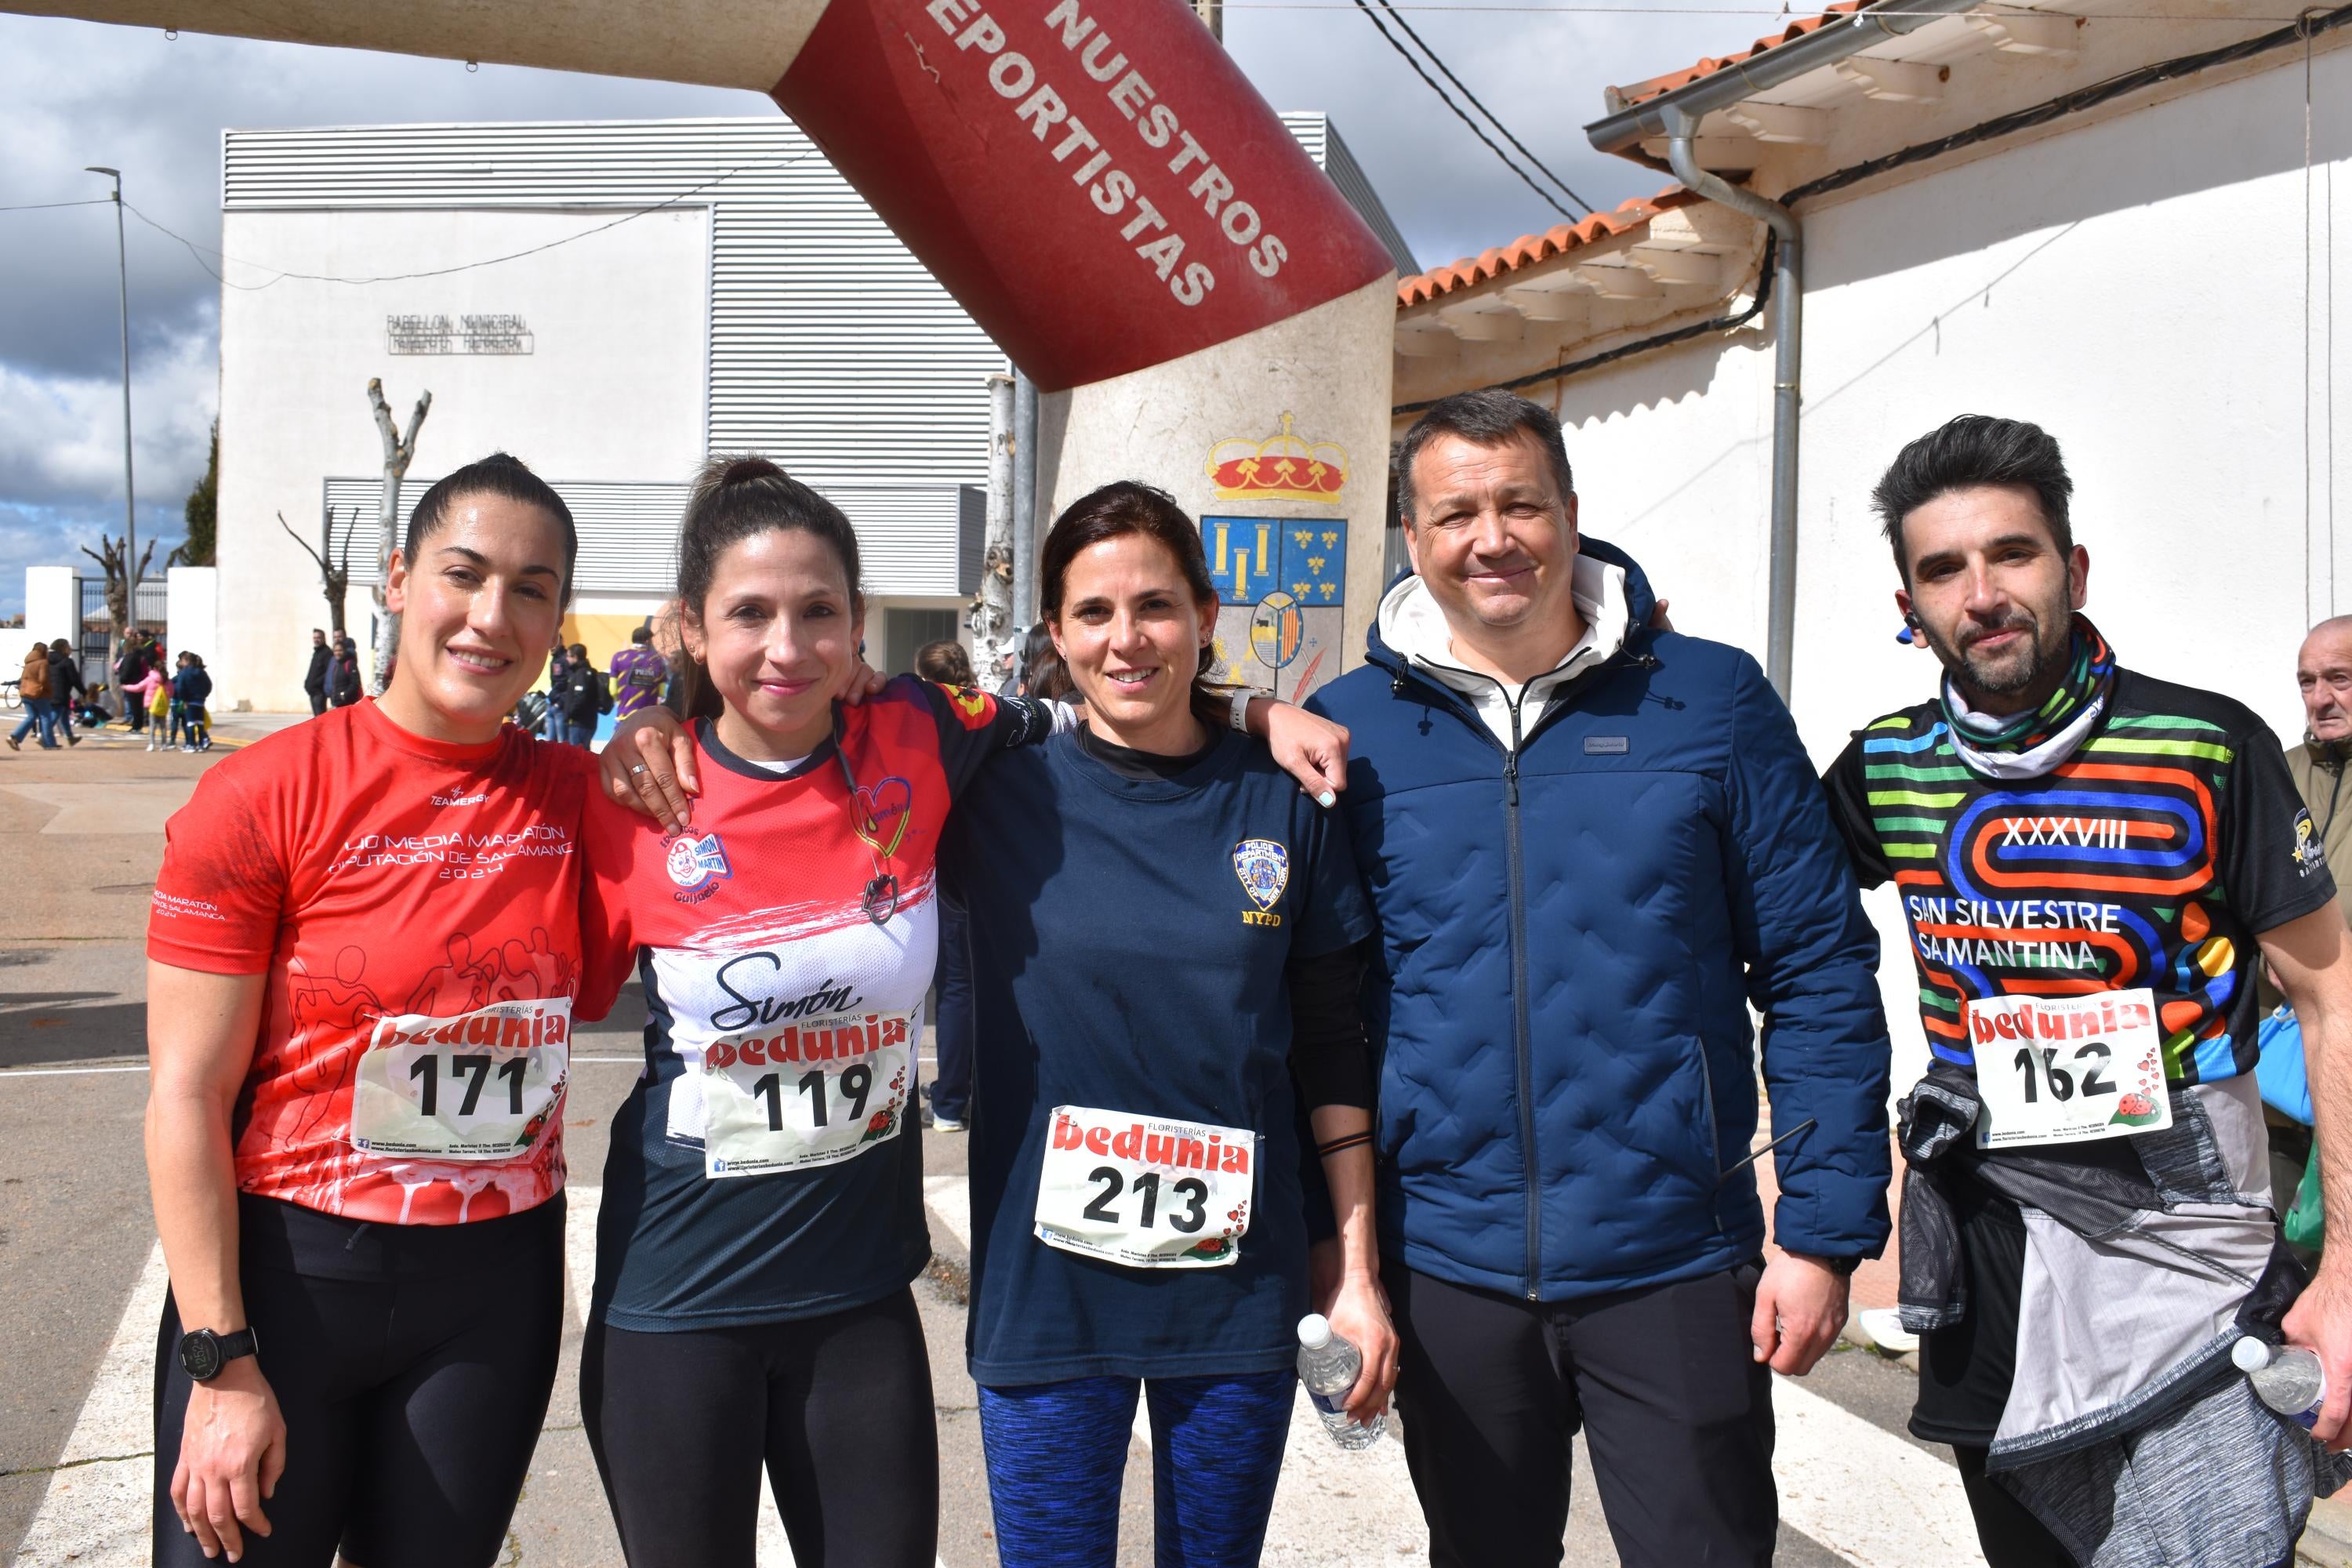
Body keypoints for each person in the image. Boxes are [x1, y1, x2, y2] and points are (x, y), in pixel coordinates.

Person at [581, 461, 1356, 1566]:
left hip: (863, 1296)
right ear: (691, 630)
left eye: (819, 614)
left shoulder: (924, 740)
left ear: (859, 633)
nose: (787, 644)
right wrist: (640, 715)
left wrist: (1256, 707)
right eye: (748, 613)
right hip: (685, 1286)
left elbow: (1100, 704)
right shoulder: (630, 798)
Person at [1305, 390, 1893, 1568]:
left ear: (1571, 513)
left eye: (1521, 502)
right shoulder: (1347, 728)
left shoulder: (1711, 699)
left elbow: (1818, 963)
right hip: (1450, 1261)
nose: (1493, 537)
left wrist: (1824, 1232)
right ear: (1411, 539)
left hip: (1672, 1255)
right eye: (1456, 512)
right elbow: (1323, 1015)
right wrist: (1342, 1265)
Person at [1821, 415, 2352, 1565]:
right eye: (1943, 569)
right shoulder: (1885, 766)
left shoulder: (2207, 746)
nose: (1983, 593)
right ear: (1910, 609)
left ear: (2074, 567)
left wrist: (2349, 1277)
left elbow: (2332, 1000)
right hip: (1989, 1247)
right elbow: (1743, 898)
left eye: (2012, 553)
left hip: (2189, 1239)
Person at [143, 452, 597, 1568]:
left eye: (532, 589)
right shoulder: (262, 794)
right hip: (292, 1284)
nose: (493, 616)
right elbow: (186, 1096)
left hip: (495, 1292)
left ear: (556, 618)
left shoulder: (587, 797)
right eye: (463, 574)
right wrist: (219, 1364)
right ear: (397, 580)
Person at [948, 482, 1393, 1568]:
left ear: (1205, 613)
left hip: (1236, 1287)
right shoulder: (995, 787)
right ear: (1055, 632)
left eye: (1156, 606)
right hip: (1046, 1287)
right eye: (1093, 613)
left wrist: (1356, 1270)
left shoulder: (1288, 794)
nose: (1126, 638)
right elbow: (815, 727)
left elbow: (1333, 1042)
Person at [913, 639, 976, 1132]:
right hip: (972, 862)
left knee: (943, 986)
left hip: (929, 866)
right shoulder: (986, 715)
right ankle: (955, 1096)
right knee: (966, 986)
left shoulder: (918, 721)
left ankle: (950, 1100)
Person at [553, 641, 608, 748]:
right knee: (582, 754)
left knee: (576, 757)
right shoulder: (588, 672)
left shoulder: (582, 674)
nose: (566, 659)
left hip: (580, 723)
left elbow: (580, 698)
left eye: (568, 656)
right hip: (587, 722)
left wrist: (569, 714)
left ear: (575, 657)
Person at [608, 624, 668, 720]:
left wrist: (621, 700)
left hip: (624, 714)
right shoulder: (657, 659)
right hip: (648, 715)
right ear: (648, 641)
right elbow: (662, 691)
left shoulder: (618, 657)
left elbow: (613, 689)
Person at [9, 638, 57, 751]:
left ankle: (15, 736)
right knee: (46, 717)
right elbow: (43, 679)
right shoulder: (43, 662)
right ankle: (48, 742)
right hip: (38, 693)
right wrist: (50, 690)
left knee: (31, 717)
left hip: (26, 693)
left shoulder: (28, 662)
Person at [123, 659, 169, 753]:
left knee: (152, 726)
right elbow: (171, 691)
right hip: (163, 705)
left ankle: (152, 744)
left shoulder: (151, 678)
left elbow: (138, 687)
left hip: (152, 705)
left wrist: (126, 687)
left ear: (154, 668)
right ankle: (163, 744)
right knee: (163, 726)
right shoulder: (166, 679)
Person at [172, 652, 214, 754]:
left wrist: (184, 699)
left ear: (186, 661)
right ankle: (201, 745)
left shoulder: (184, 673)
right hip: (200, 701)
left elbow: (181, 687)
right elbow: (209, 685)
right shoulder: (201, 672)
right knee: (200, 723)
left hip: (189, 701)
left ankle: (191, 744)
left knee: (190, 723)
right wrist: (203, 696)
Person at [47, 640, 83, 747]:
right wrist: (84, 692)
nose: (71, 648)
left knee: (64, 715)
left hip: (50, 692)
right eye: (68, 646)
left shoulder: (46, 660)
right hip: (61, 693)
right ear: (63, 648)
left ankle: (70, 737)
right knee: (55, 716)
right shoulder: (67, 662)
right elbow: (75, 679)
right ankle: (43, 735)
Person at [122, 629, 158, 734]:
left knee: (135, 706)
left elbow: (127, 670)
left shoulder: (132, 656)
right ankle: (137, 725)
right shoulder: (140, 655)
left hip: (133, 682)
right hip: (140, 681)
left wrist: (123, 680)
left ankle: (137, 726)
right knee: (137, 705)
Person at [327, 637, 364, 710]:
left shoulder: (350, 664)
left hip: (347, 704)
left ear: (345, 651)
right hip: (338, 704)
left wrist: (344, 695)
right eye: (335, 651)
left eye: (340, 650)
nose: (337, 653)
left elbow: (355, 683)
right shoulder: (336, 665)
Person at [301, 629, 330, 718]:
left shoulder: (327, 653)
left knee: (321, 719)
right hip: (313, 692)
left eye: (318, 637)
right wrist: (307, 683)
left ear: (324, 638)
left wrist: (315, 683)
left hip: (319, 692)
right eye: (314, 638)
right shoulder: (317, 653)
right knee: (316, 719)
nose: (316, 640)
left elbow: (328, 673)